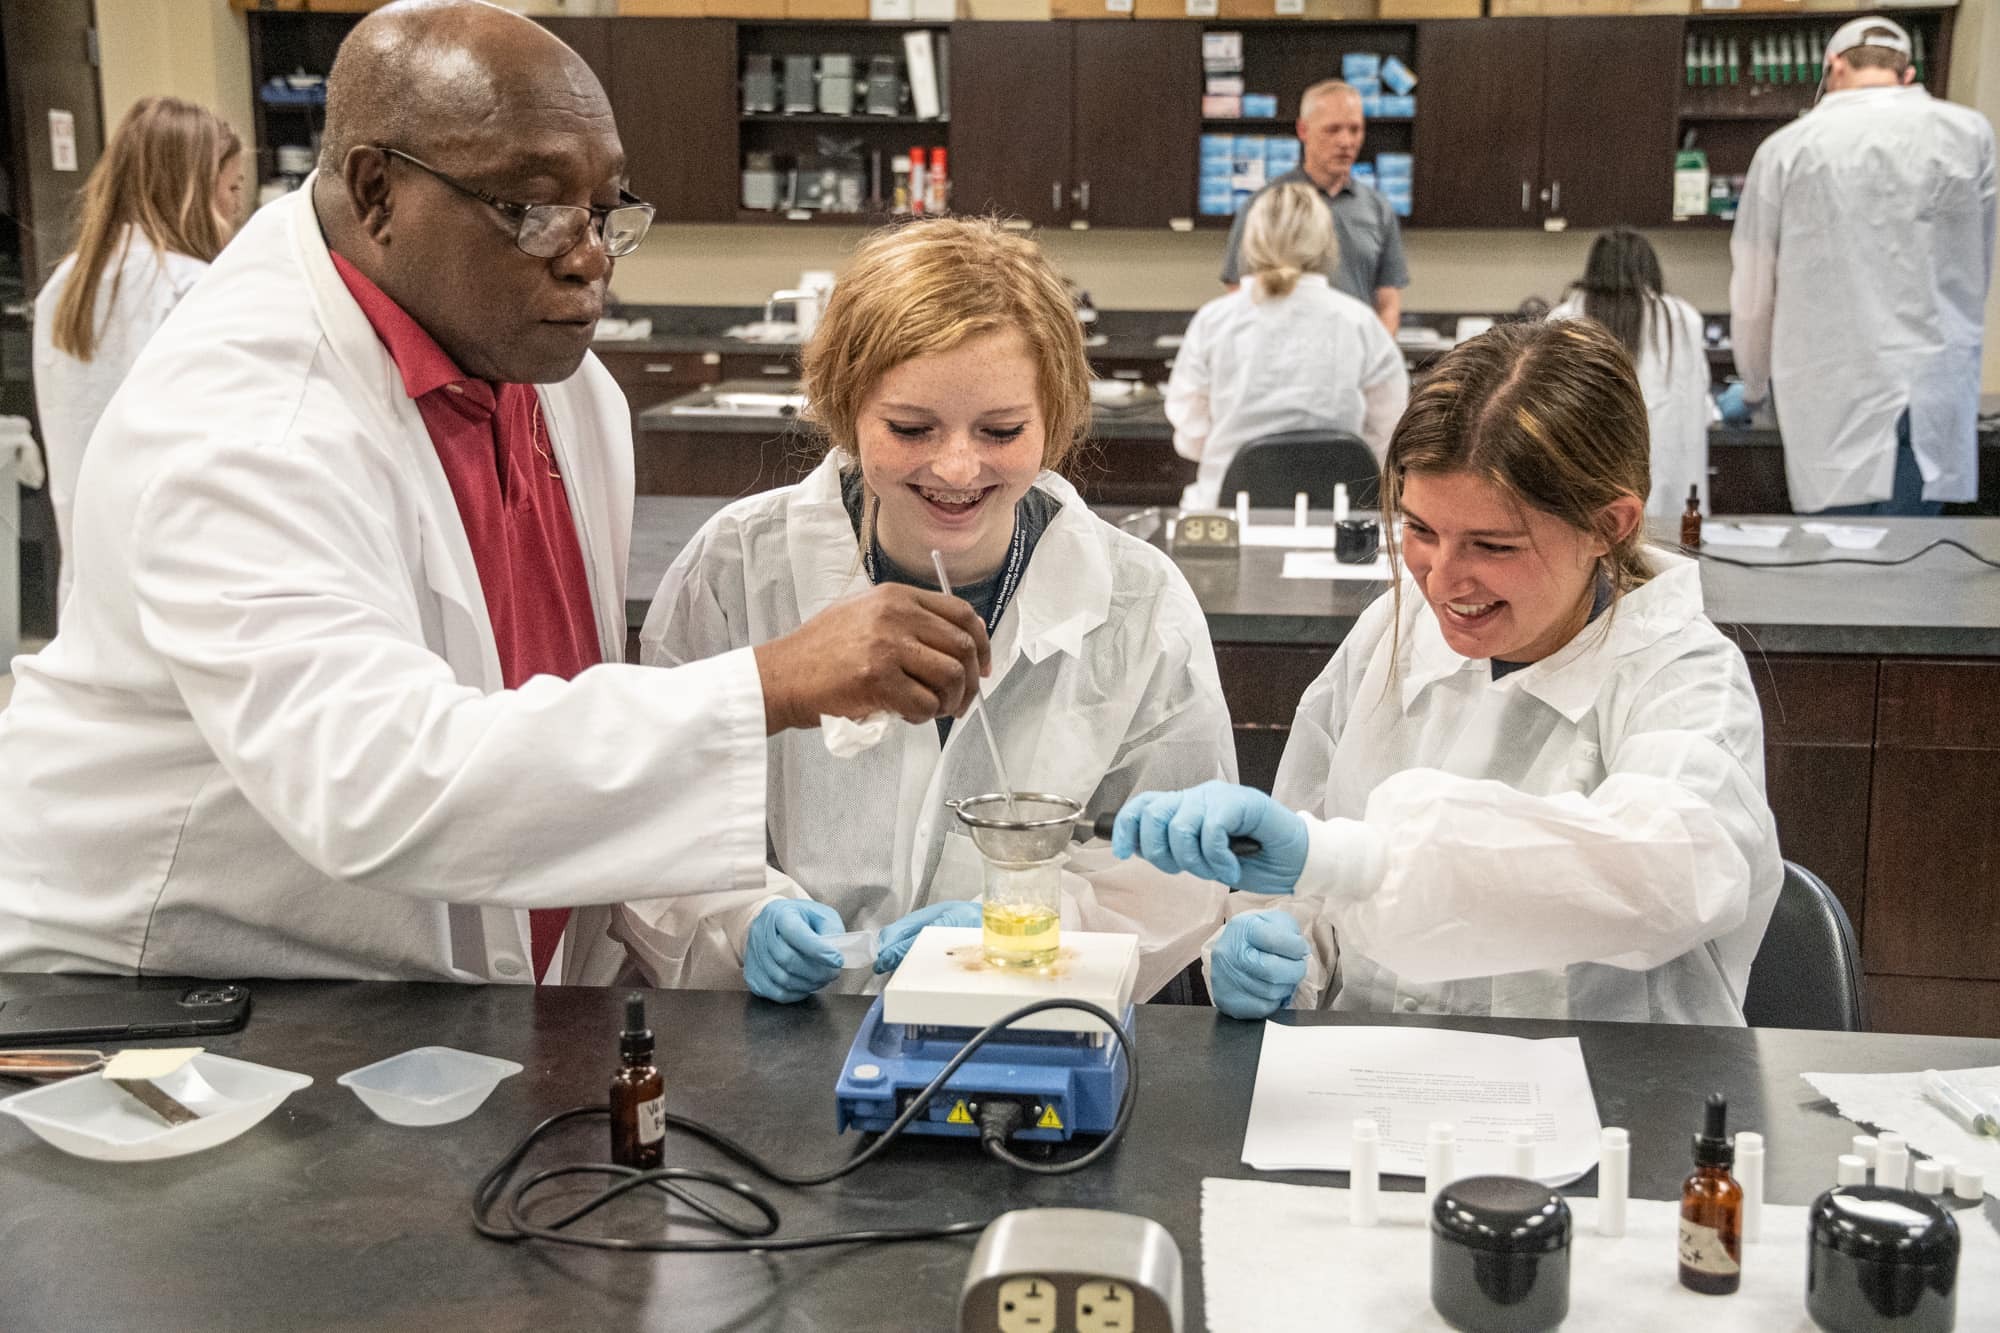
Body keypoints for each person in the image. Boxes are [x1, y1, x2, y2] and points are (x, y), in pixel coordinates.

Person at [0, 1, 992, 983]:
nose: (587, 256)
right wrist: (772, 681)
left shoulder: (553, 382)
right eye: (533, 209)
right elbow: (373, 780)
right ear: (377, 191)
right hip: (159, 984)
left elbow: (545, 710)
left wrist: (736, 913)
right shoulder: (248, 418)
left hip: (407, 991)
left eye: (604, 210)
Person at [621, 217, 1236, 1004]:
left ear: (1053, 417)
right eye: (911, 428)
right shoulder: (735, 571)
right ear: (846, 408)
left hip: (1028, 1019)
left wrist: (1031, 921)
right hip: (790, 1028)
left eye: (1002, 430)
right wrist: (742, 919)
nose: (956, 467)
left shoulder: (1138, 605)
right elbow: (655, 814)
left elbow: (1174, 873)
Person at [1113, 319, 1783, 1025]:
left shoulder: (1684, 675)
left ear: (1609, 525)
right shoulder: (1390, 635)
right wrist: (1276, 950)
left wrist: (1349, 859)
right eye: (1421, 530)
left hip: (1613, 1083)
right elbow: (1301, 888)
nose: (1441, 579)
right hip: (1372, 1076)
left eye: (1493, 545)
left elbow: (1670, 870)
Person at [1724, 15, 1996, 516]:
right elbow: (1976, 266)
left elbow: (1755, 290)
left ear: (1834, 66)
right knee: (1916, 550)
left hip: (1831, 395)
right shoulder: (1969, 134)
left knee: (1838, 551)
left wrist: (1755, 386)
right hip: (1934, 387)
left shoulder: (1787, 149)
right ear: (1907, 74)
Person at [32, 96, 244, 609]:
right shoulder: (192, 286)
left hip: (92, 578)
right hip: (184, 573)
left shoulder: (66, 286)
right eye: (233, 187)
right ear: (193, 187)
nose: (238, 205)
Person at [1169, 181, 1407, 510]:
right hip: (1340, 514)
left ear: (1251, 242)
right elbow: (1389, 434)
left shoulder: (1214, 321)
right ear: (1326, 243)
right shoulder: (1361, 323)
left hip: (1228, 515)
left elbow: (1191, 438)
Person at [1219, 79, 1409, 333]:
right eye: (1333, 129)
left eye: (1355, 130)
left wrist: (1377, 353)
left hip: (1354, 349)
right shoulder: (1267, 205)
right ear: (1303, 130)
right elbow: (1238, 292)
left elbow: (1388, 303)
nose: (1346, 141)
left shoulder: (1378, 209)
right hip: (1283, 349)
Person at [1551, 228, 1711, 519]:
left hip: (1585, 493)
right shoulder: (1682, 318)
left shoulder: (1566, 318)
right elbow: (1700, 401)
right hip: (1671, 495)